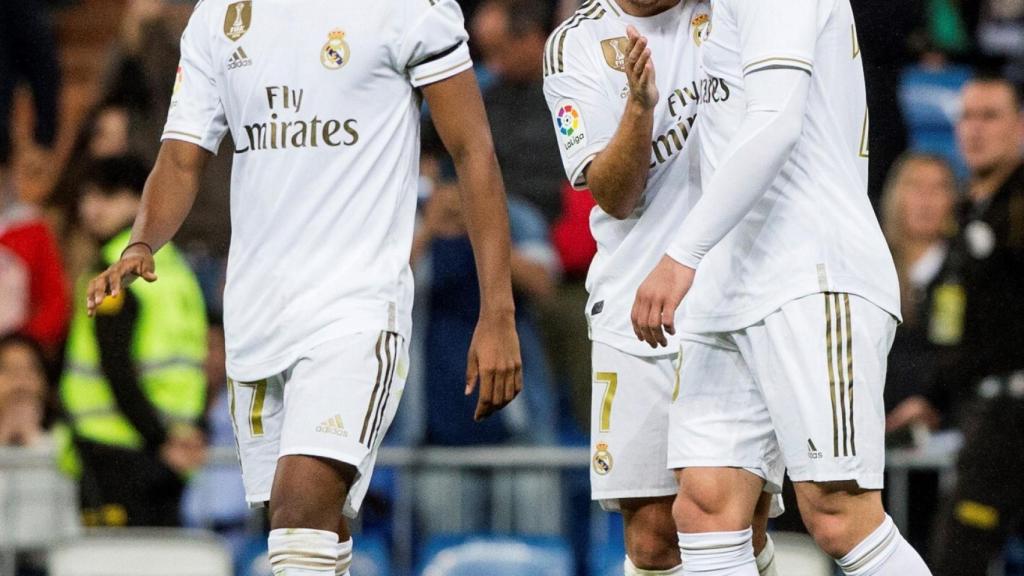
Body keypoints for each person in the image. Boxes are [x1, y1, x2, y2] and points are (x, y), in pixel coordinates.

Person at [85, 0, 523, 573]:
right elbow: (181, 159)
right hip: (257, 317)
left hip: (357, 310)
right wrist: (142, 242)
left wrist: (498, 311)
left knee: (298, 512)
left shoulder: (408, 8)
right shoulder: (219, 17)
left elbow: (474, 151)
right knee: (309, 536)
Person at [631, 0, 931, 573]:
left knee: (839, 514)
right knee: (705, 508)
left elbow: (775, 122)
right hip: (729, 286)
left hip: (812, 275)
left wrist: (680, 255)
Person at [543, 1, 777, 573]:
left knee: (736, 525)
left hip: (735, 302)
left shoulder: (732, 12)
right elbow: (616, 197)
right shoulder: (575, 44)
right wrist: (639, 109)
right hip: (634, 309)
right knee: (652, 539)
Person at [60, 156, 209, 527]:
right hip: (139, 448)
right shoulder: (175, 267)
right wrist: (177, 436)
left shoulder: (114, 269)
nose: (90, 209)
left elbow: (119, 369)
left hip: (132, 451)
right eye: (87, 197)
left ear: (140, 200)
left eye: (107, 196)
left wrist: (170, 439)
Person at [928, 76, 1024, 576]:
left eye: (990, 116)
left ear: (1020, 125)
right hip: (983, 411)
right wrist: (931, 396)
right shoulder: (968, 213)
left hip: (1011, 414)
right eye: (967, 116)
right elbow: (954, 325)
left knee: (958, 557)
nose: (974, 129)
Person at [0, 333, 48, 446]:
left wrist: (37, 440)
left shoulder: (70, 442)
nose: (20, 379)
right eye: (7, 369)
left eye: (31, 368)